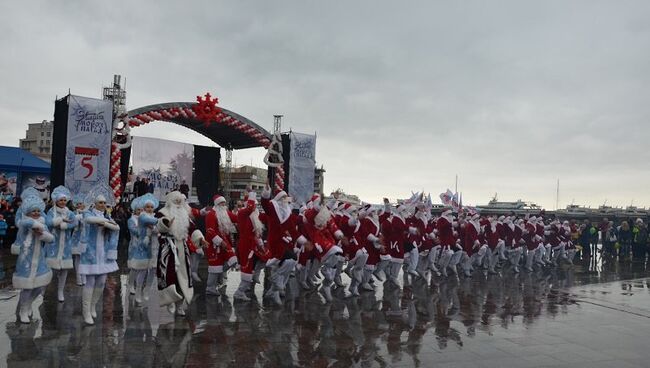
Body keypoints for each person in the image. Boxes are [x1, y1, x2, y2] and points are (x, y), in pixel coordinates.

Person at [156, 191, 206, 316]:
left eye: (180, 201)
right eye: (176, 200)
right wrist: (166, 224)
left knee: (183, 277)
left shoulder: (185, 214)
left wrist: (200, 239)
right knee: (168, 275)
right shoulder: (163, 212)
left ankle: (180, 305)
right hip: (168, 247)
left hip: (182, 249)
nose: (178, 203)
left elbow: (193, 229)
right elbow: (159, 226)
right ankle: (170, 300)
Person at [79, 191, 120, 325]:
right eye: (100, 203)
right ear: (95, 204)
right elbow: (90, 220)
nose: (102, 205)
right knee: (90, 282)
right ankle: (85, 312)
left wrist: (106, 223)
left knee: (102, 281)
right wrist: (105, 222)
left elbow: (117, 227)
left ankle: (92, 306)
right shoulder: (88, 213)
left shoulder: (107, 216)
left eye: (104, 203)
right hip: (90, 253)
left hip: (103, 253)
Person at [13, 194, 54, 323]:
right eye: (33, 211)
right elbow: (25, 223)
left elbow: (51, 239)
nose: (36, 213)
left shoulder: (42, 223)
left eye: (38, 211)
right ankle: (23, 310)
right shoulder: (24, 223)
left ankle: (28, 303)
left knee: (39, 286)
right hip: (26, 260)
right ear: (28, 212)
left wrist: (42, 234)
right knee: (27, 287)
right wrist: (37, 226)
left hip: (39, 259)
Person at [45, 186, 78, 302]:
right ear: (56, 201)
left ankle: (60, 291)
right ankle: (44, 288)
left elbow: (74, 223)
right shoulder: (51, 212)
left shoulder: (69, 212)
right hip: (53, 244)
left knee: (64, 269)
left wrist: (65, 226)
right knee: (51, 269)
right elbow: (48, 223)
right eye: (61, 200)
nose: (63, 202)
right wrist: (59, 221)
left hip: (66, 245)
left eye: (64, 200)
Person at [204, 194, 239, 296]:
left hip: (225, 242)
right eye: (221, 203)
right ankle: (210, 288)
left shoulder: (225, 212)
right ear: (217, 204)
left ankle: (220, 274)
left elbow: (236, 218)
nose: (223, 205)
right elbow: (210, 231)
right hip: (214, 245)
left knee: (233, 260)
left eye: (224, 203)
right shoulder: (211, 214)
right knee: (214, 266)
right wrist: (219, 241)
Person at [70, 196, 87, 286]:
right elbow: (72, 224)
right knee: (77, 258)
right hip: (76, 238)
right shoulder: (73, 214)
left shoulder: (87, 213)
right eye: (78, 204)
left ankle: (84, 277)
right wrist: (77, 218)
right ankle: (78, 277)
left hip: (84, 238)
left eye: (81, 203)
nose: (80, 205)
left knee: (83, 258)